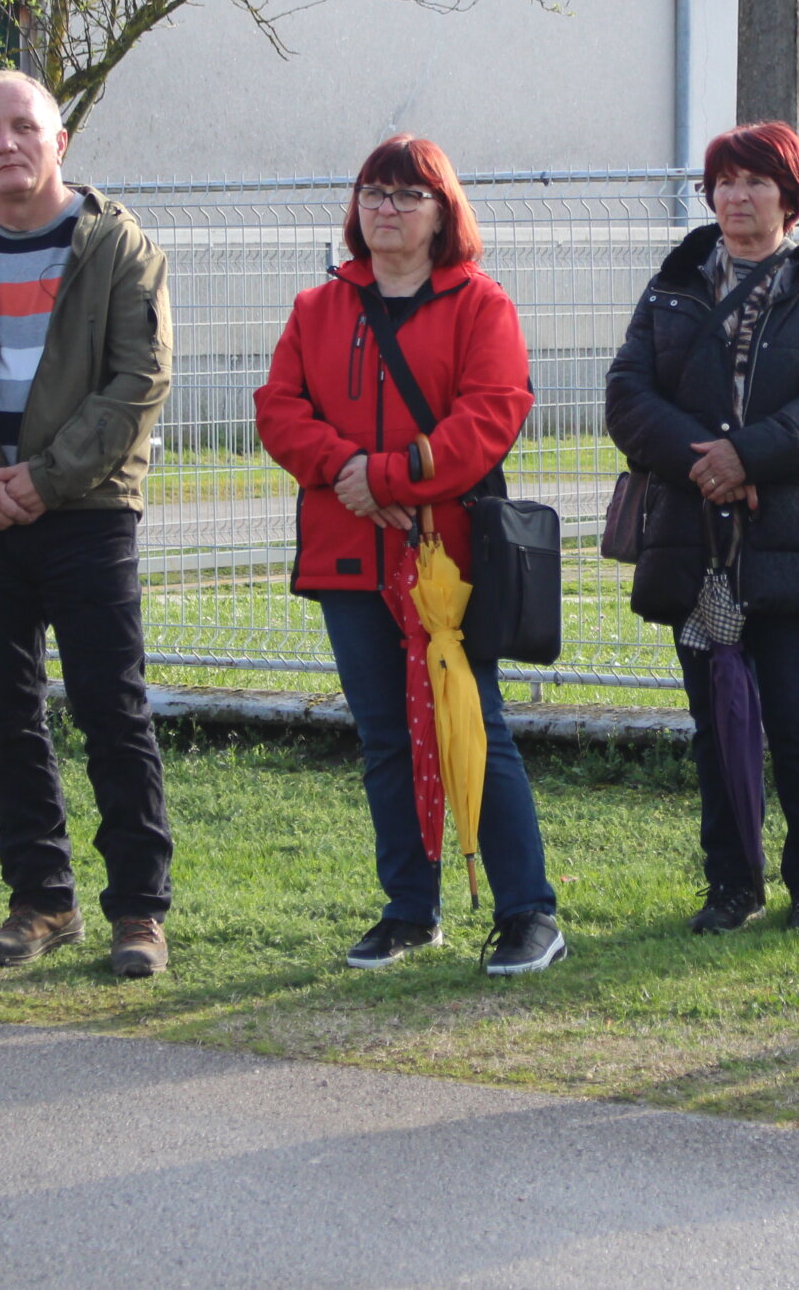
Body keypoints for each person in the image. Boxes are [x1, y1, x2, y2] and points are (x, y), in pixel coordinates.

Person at [253, 135, 566, 976]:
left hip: (449, 562)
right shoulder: (317, 308)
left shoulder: (480, 305)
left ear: (442, 212)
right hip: (348, 556)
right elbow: (278, 409)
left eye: (406, 195)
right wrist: (347, 473)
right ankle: (409, 909)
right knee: (387, 735)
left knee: (475, 725)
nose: (385, 210)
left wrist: (391, 475)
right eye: (373, 194)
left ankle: (530, 911)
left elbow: (492, 414)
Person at [0, 70, 177, 977]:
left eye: (24, 127)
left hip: (86, 513)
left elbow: (138, 380)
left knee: (111, 711)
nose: (6, 144)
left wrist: (44, 481)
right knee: (6, 716)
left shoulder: (121, 248)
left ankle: (139, 912)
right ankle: (42, 900)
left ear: (61, 142)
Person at [604, 123, 799, 936]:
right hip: (695, 540)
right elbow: (626, 393)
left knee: (798, 718)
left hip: (793, 538)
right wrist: (709, 465)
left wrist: (748, 458)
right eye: (723, 182)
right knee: (713, 718)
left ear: (792, 196)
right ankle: (732, 884)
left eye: (756, 182)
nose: (736, 197)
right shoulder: (673, 285)